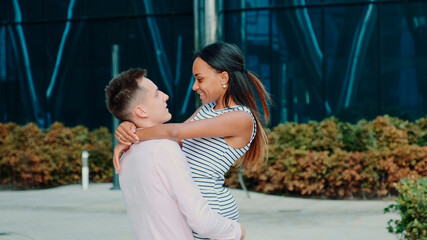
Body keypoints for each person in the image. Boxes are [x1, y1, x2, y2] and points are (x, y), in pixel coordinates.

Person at [114, 42, 270, 240]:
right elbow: (174, 142)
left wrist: (130, 136)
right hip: (192, 209)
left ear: (223, 77)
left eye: (200, 79)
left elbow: (174, 132)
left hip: (212, 211)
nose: (195, 86)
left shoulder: (241, 117)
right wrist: (128, 127)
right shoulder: (206, 110)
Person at [105, 68, 245, 240]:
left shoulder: (126, 158)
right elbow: (201, 221)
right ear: (141, 111)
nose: (165, 96)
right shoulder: (164, 149)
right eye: (156, 94)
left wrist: (130, 132)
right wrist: (236, 231)